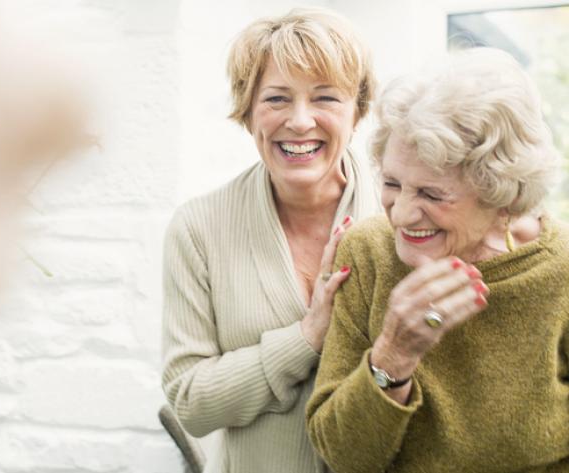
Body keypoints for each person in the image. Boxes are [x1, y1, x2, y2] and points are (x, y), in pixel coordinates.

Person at [306, 47, 569, 472]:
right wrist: (392, 355)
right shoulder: (368, 252)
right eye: (393, 183)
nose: (402, 214)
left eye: (431, 194)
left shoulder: (559, 269)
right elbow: (341, 454)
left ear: (502, 196)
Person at [161, 8, 379, 473]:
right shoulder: (200, 228)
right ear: (247, 111)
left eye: (325, 98)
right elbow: (189, 402)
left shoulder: (399, 214)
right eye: (277, 99)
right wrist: (306, 337)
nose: (300, 122)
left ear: (357, 111)